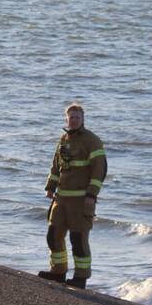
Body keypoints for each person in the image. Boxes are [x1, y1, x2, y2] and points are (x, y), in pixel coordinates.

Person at [39, 103, 107, 289]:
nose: (74, 120)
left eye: (77, 117)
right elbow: (56, 166)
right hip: (61, 199)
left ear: (83, 119)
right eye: (71, 117)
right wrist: (50, 187)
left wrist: (91, 195)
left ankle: (81, 278)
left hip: (80, 200)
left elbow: (99, 170)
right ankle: (58, 272)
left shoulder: (92, 141)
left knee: (78, 240)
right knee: (53, 235)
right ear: (66, 119)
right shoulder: (63, 140)